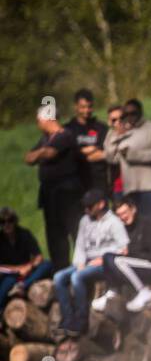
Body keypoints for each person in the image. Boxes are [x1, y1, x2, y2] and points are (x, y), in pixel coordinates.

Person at [53, 189, 128, 336]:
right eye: (85, 206)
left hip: (103, 264)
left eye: (89, 206)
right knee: (58, 277)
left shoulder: (114, 222)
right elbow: (80, 245)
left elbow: (123, 248)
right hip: (86, 262)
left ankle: (81, 320)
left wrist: (103, 259)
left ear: (100, 204)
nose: (86, 209)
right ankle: (67, 319)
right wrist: (79, 262)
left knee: (77, 277)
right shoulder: (84, 221)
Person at [24, 111, 83, 271]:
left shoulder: (65, 136)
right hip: (50, 197)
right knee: (55, 238)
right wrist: (41, 152)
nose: (37, 124)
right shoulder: (45, 139)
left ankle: (83, 271)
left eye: (38, 121)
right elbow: (28, 158)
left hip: (67, 196)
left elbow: (50, 153)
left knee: (76, 233)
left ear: (47, 119)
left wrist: (42, 153)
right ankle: (61, 272)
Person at [103, 98, 151, 233]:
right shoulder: (122, 132)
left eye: (133, 113)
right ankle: (139, 254)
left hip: (150, 185)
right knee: (134, 226)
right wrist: (114, 134)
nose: (130, 117)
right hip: (131, 186)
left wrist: (132, 155)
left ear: (140, 112)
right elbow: (111, 158)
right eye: (126, 114)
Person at [93, 196, 151, 313]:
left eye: (125, 212)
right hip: (132, 264)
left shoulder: (149, 225)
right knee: (107, 257)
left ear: (133, 209)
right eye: (119, 215)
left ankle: (143, 291)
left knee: (119, 261)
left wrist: (129, 253)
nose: (123, 217)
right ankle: (112, 292)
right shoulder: (122, 229)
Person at [0, 207, 54, 304]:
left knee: (47, 264)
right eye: (3, 222)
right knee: (7, 282)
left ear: (15, 221)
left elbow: (38, 256)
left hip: (28, 271)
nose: (7, 225)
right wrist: (17, 269)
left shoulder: (25, 234)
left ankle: (22, 286)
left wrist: (29, 266)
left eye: (10, 221)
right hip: (9, 274)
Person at [64, 89, 109, 194]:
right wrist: (93, 149)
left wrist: (80, 152)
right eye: (83, 107)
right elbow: (69, 155)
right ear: (76, 106)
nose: (87, 110)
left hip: (99, 182)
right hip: (76, 183)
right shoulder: (68, 130)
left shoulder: (101, 128)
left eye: (89, 107)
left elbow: (104, 153)